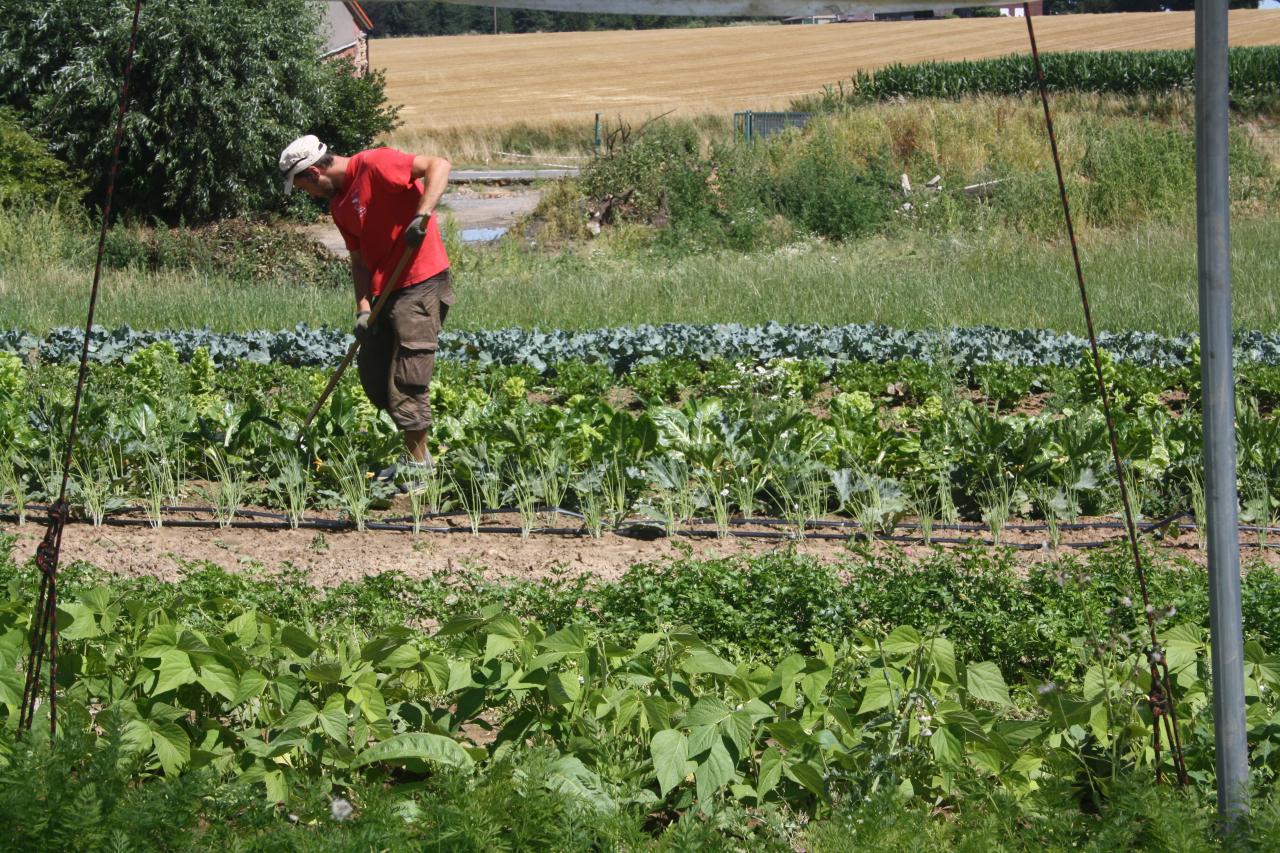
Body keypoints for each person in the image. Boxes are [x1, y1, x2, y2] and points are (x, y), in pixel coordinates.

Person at [278, 135, 454, 483]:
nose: (308, 196)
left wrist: (421, 215)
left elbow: (440, 165)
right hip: (382, 294)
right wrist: (362, 308)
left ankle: (420, 470)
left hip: (420, 282)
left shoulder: (375, 163)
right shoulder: (340, 205)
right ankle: (414, 454)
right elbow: (358, 262)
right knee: (375, 378)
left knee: (407, 379)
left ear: (314, 173)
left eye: (303, 188)